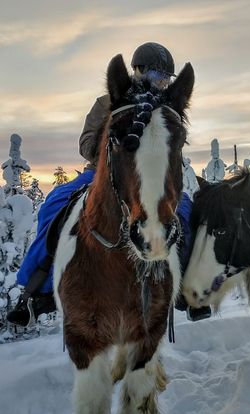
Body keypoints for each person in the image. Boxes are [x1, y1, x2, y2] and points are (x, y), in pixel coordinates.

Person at [7, 42, 210, 326]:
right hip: (104, 172)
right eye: (155, 75)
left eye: (165, 78)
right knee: (55, 204)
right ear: (138, 71)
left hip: (149, 178)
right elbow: (86, 142)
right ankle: (34, 291)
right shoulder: (109, 102)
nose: (160, 82)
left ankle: (188, 289)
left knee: (185, 211)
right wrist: (110, 146)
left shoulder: (166, 108)